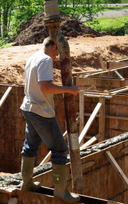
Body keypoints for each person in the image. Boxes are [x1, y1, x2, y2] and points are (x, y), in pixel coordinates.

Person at [20, 36, 80, 202]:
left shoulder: (32, 57)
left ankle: (26, 183)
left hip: (28, 108)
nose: (57, 56)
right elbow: (45, 87)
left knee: (30, 146)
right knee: (59, 150)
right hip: (41, 112)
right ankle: (61, 191)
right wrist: (69, 89)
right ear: (53, 46)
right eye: (58, 52)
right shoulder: (45, 60)